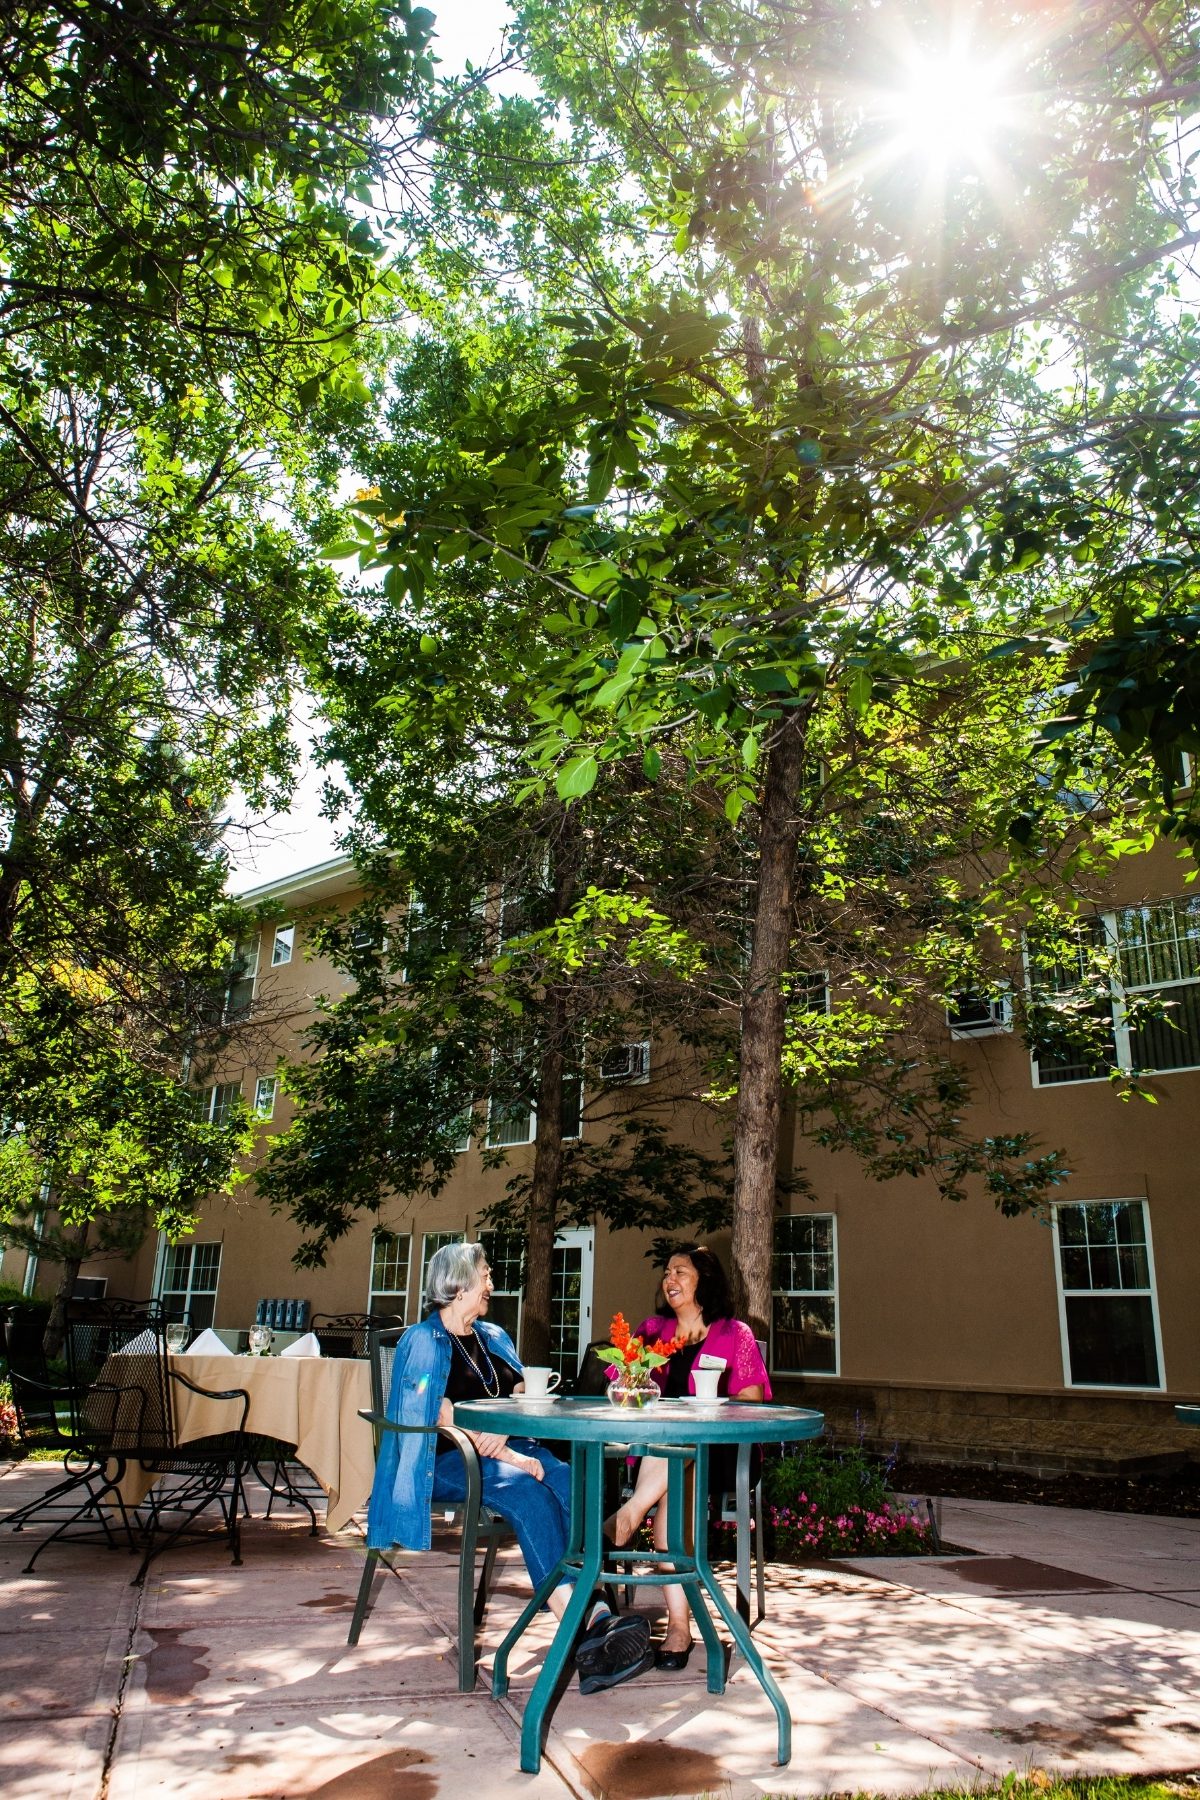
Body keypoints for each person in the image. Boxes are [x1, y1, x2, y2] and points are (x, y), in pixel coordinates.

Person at [365, 1240, 652, 1693]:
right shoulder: (422, 1341)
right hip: (441, 1457)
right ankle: (585, 1622)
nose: (491, 1285)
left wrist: (516, 1403)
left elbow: (519, 1387)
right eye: (485, 1276)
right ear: (458, 1285)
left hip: (505, 1447)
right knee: (527, 1492)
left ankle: (593, 1624)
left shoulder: (492, 1336)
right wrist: (512, 1455)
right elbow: (438, 1416)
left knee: (573, 1482)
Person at [605, 1243, 770, 1669]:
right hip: (663, 1455)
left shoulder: (735, 1333)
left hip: (720, 1451)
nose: (670, 1279)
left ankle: (628, 1513)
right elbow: (621, 1390)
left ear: (705, 1281)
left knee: (681, 1448)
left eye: (681, 1271)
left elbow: (752, 1398)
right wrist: (633, 1376)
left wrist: (710, 1404)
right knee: (671, 1496)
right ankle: (679, 1627)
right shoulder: (651, 1330)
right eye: (667, 1272)